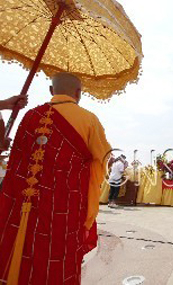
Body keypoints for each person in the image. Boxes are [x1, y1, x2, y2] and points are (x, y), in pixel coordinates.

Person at [0, 72, 111, 284]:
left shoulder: (30, 115)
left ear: (51, 91)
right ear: (79, 93)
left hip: (25, 204)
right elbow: (103, 160)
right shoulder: (88, 119)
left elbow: (16, 163)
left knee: (25, 247)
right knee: (58, 254)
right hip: (64, 204)